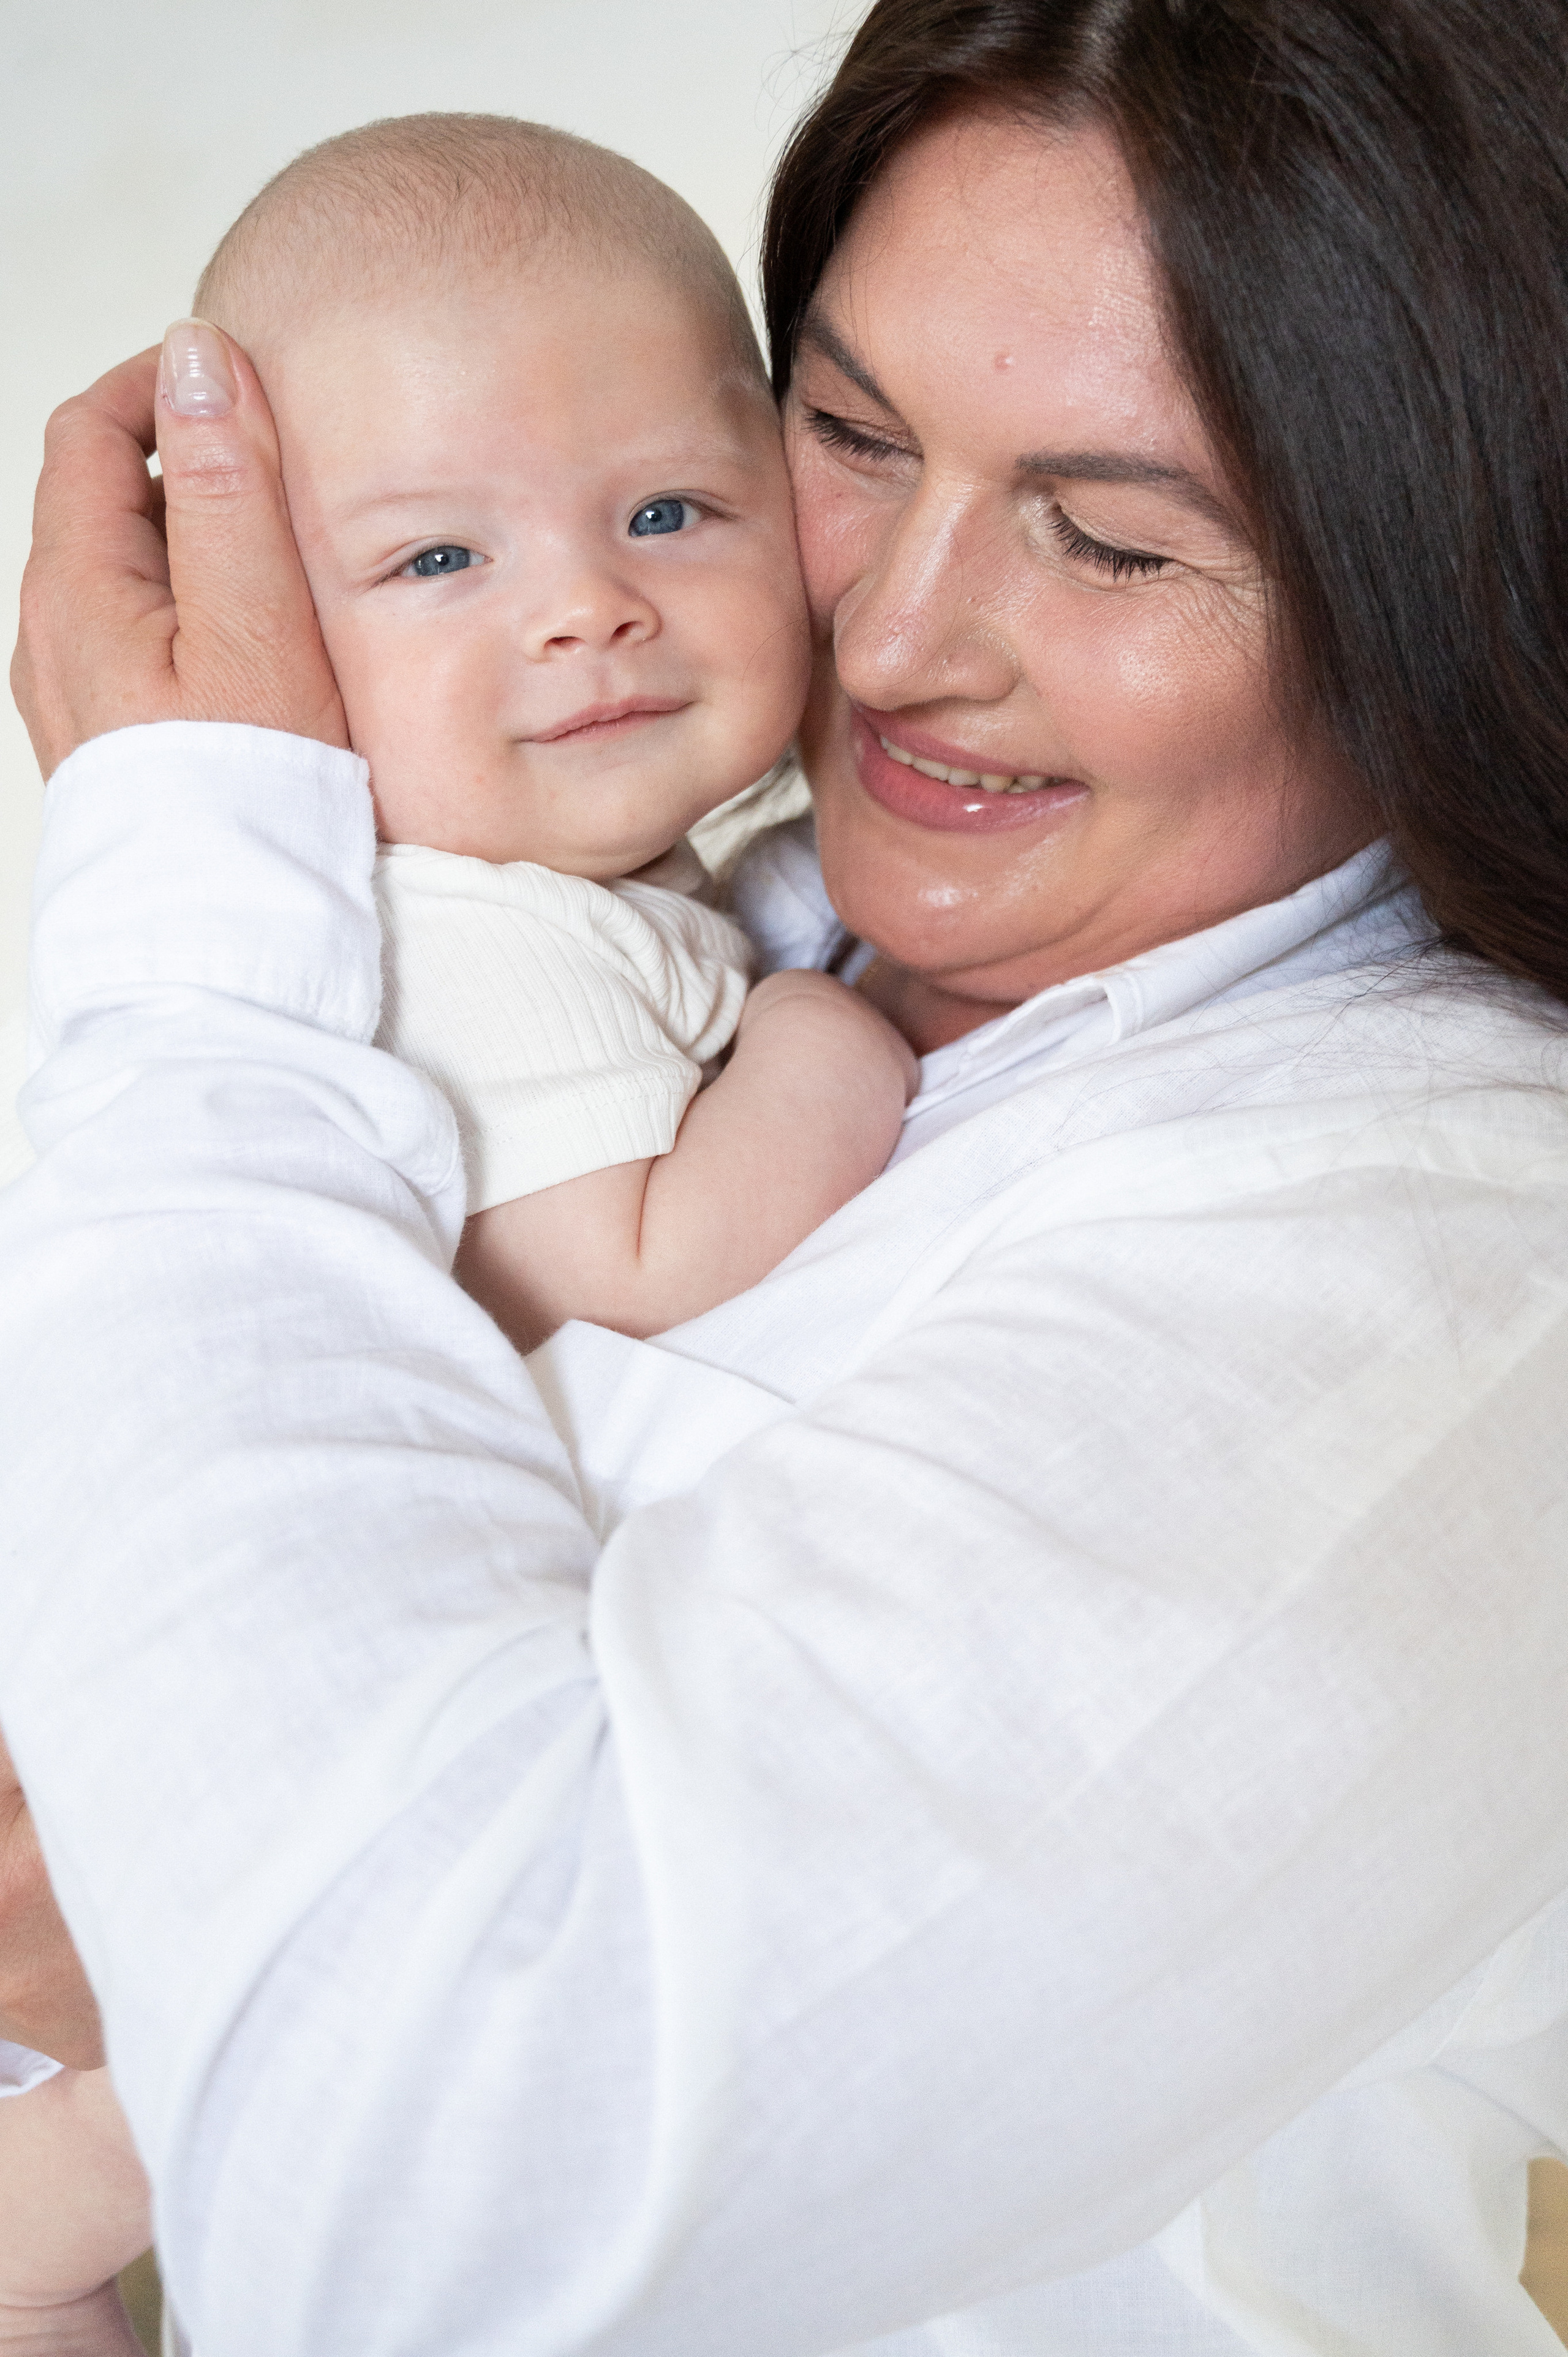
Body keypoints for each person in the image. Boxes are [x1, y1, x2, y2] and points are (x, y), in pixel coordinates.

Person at [4, 0, 1568, 2349]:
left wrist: (199, 899)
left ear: (1451, 594)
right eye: (842, 433)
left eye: (1118, 542)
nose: (899, 638)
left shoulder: (1457, 1264)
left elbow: (444, 2192)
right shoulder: (716, 914)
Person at [0, 113, 914, 2345]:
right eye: (433, 564)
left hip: (281, 1679)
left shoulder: (607, 886)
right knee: (135, 2123)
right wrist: (844, 1038)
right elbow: (650, 1258)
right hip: (174, 1716)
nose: (585, 605)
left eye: (670, 514)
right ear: (268, 640)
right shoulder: (464, 937)